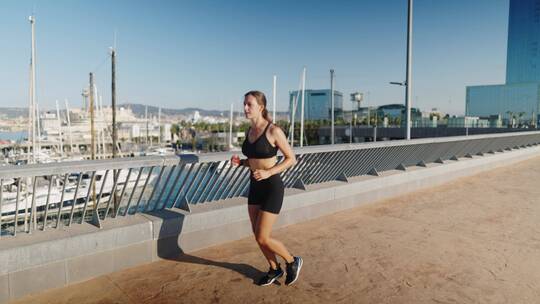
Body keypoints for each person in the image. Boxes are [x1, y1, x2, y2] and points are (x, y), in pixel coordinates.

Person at [231, 90, 303, 286]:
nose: (245, 108)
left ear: (260, 107)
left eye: (249, 104)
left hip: (272, 187)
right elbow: (255, 161)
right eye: (244, 104)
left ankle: (292, 261)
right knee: (258, 236)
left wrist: (269, 173)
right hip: (255, 187)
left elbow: (291, 159)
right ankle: (274, 269)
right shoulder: (249, 131)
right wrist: (241, 163)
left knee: (263, 236)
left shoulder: (273, 131)